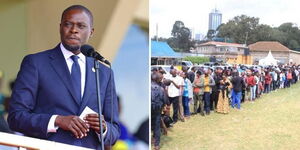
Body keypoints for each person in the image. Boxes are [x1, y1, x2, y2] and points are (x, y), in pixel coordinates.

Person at [8, 5, 120, 150]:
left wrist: (103, 128)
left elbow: (115, 132)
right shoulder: (36, 63)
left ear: (91, 32)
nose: (74, 30)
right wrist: (57, 120)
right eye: (68, 24)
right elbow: (16, 117)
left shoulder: (104, 72)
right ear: (60, 27)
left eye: (81, 26)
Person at [151, 72, 165, 150]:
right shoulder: (161, 89)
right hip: (157, 109)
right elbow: (165, 100)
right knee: (157, 127)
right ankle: (156, 145)